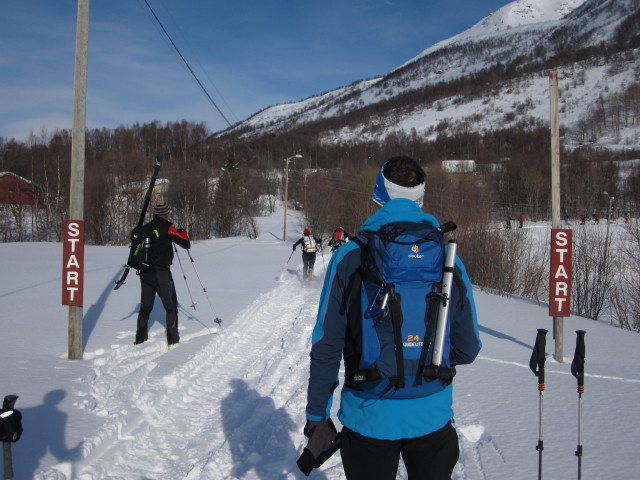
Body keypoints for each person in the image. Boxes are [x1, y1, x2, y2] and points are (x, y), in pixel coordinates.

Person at [301, 156, 481, 479]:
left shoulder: (350, 255)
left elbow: (326, 342)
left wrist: (317, 413)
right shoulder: (447, 257)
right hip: (432, 415)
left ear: (378, 196)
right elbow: (469, 347)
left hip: (369, 417)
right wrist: (427, 363)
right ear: (421, 197)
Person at [135, 201, 190, 347]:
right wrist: (183, 232)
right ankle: (173, 340)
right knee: (171, 306)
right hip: (162, 274)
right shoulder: (168, 228)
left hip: (145, 273)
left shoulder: (146, 228)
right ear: (167, 213)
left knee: (145, 306)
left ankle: (140, 338)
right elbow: (186, 244)